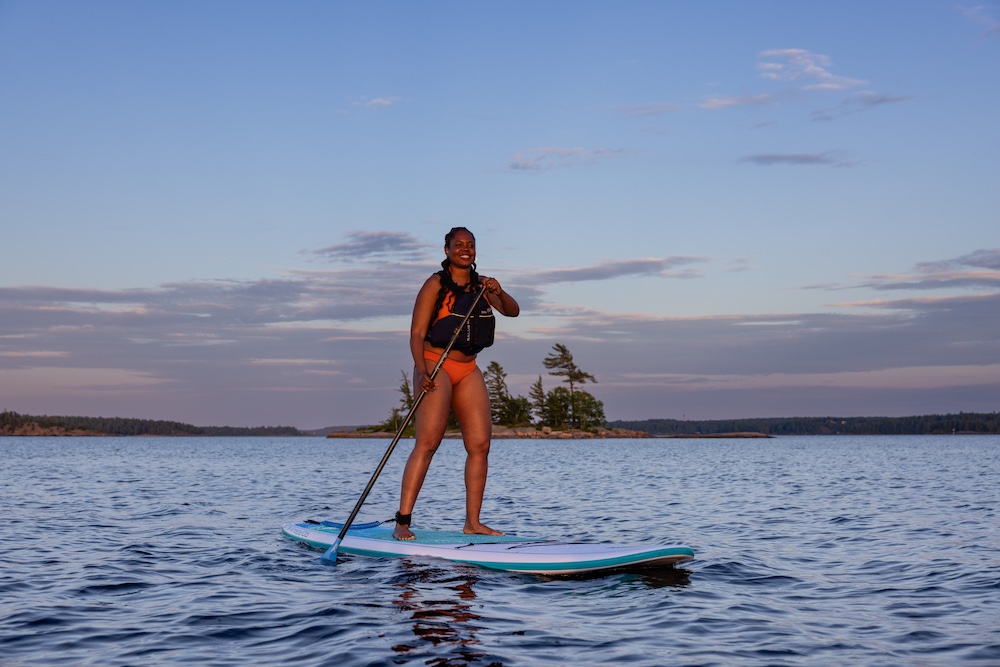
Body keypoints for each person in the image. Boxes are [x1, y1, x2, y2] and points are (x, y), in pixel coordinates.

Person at [393, 227, 520, 541]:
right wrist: (422, 372)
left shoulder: (482, 285)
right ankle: (403, 521)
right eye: (459, 245)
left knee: (480, 446)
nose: (466, 249)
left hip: (468, 369)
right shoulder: (434, 284)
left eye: (471, 245)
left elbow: (512, 311)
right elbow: (415, 334)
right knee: (428, 443)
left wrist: (499, 291)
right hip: (435, 366)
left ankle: (473, 522)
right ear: (447, 249)